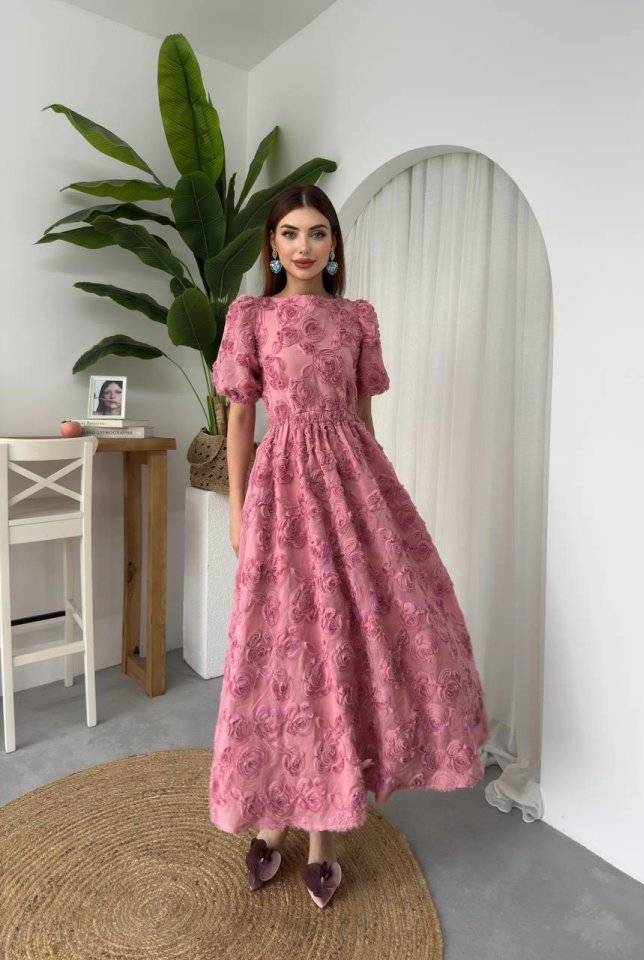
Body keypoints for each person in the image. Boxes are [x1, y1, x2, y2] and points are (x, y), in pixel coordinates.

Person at [208, 183, 490, 909]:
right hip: (280, 492)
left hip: (352, 489)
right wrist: (238, 511)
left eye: (318, 233)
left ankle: (325, 832)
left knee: (343, 647)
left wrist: (379, 506)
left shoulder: (355, 318)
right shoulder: (250, 317)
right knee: (282, 652)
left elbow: (362, 421)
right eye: (290, 233)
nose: (303, 246)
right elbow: (240, 422)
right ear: (272, 245)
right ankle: (273, 817)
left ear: (334, 246)